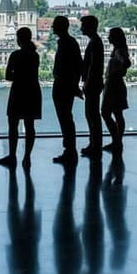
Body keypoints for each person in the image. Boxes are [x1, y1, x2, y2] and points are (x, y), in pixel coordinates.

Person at [0, 27, 42, 170]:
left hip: (18, 91)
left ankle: (12, 155)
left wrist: (19, 76)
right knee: (30, 126)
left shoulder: (15, 55)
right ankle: (27, 156)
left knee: (13, 125)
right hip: (33, 91)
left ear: (19, 39)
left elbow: (8, 76)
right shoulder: (35, 55)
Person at [50, 16, 84, 166]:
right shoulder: (70, 43)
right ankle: (70, 150)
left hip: (63, 86)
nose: (52, 27)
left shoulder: (66, 44)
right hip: (65, 85)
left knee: (65, 119)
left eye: (54, 25)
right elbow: (79, 66)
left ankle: (70, 150)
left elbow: (74, 66)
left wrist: (71, 85)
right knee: (66, 118)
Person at [101, 27, 131, 151]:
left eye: (110, 36)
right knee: (118, 114)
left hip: (113, 85)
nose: (108, 38)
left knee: (106, 113)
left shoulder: (118, 51)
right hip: (117, 84)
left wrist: (115, 73)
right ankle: (117, 141)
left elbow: (126, 63)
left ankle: (116, 141)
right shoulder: (121, 50)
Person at [79, 15, 104, 157]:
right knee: (93, 115)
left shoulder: (94, 43)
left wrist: (87, 82)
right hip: (94, 82)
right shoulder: (96, 41)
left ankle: (95, 144)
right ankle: (95, 143)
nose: (81, 28)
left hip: (92, 83)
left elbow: (93, 66)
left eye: (83, 26)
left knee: (91, 115)